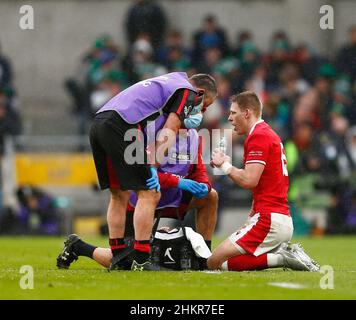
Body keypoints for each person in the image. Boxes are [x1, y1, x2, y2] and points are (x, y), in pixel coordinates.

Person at [86, 72, 217, 271]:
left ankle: (119, 254)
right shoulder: (187, 91)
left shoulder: (169, 81)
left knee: (118, 194)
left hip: (100, 122)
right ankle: (141, 258)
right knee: (149, 193)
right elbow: (170, 130)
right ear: (199, 92)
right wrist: (154, 167)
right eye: (204, 105)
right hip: (124, 126)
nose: (202, 110)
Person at [57, 113, 218, 270]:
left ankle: (204, 256)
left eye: (203, 109)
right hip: (141, 200)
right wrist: (179, 182)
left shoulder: (195, 136)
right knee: (126, 262)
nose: (199, 113)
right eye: (197, 108)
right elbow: (143, 174)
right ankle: (78, 246)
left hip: (171, 198)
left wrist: (204, 184)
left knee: (211, 196)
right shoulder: (152, 131)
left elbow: (198, 170)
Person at [207, 91, 320, 272]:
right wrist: (251, 217)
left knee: (214, 262)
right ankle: (281, 256)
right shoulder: (265, 133)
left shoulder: (259, 136)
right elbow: (261, 185)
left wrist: (225, 166)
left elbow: (249, 180)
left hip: (269, 220)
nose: (229, 118)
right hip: (276, 217)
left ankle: (282, 257)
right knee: (224, 263)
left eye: (233, 113)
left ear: (247, 113)